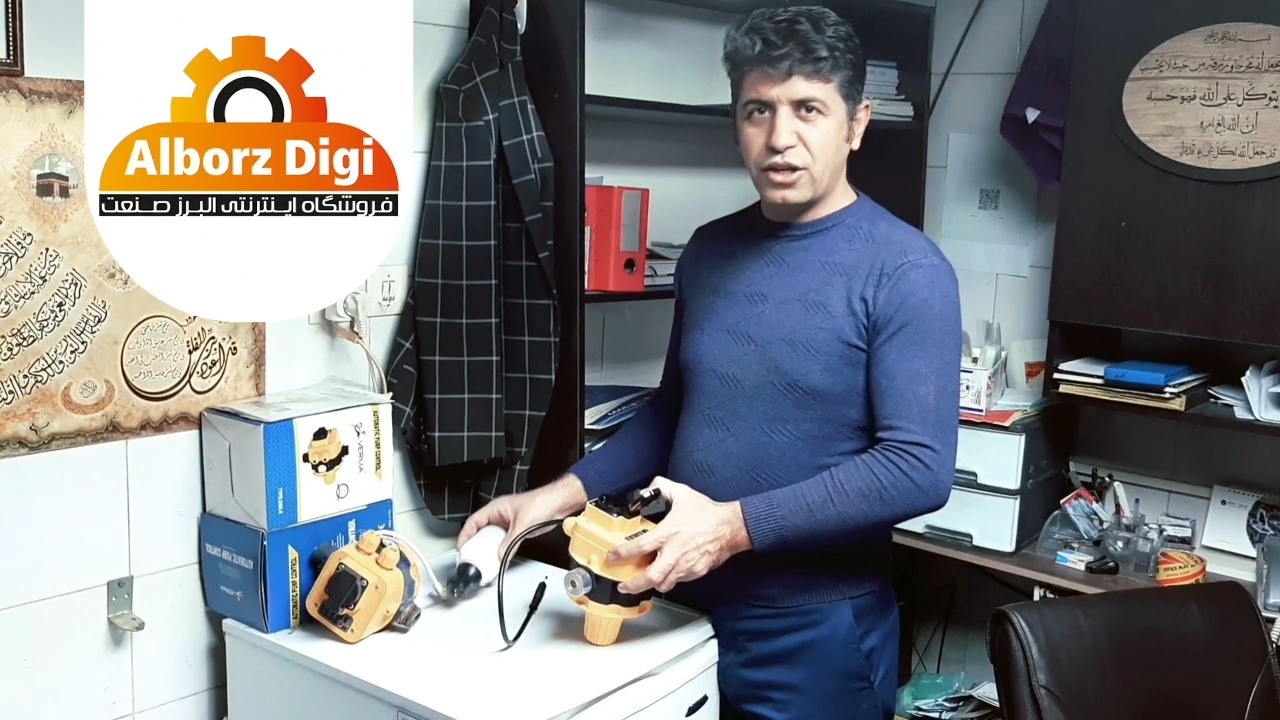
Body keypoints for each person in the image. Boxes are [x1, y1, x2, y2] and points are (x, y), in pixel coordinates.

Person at [457, 6, 962, 718]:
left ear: (856, 124)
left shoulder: (907, 270)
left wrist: (731, 527)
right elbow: (672, 412)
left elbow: (917, 468)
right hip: (677, 599)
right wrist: (552, 499)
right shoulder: (709, 250)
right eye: (759, 110)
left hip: (813, 632)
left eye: (808, 109)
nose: (779, 137)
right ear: (736, 122)